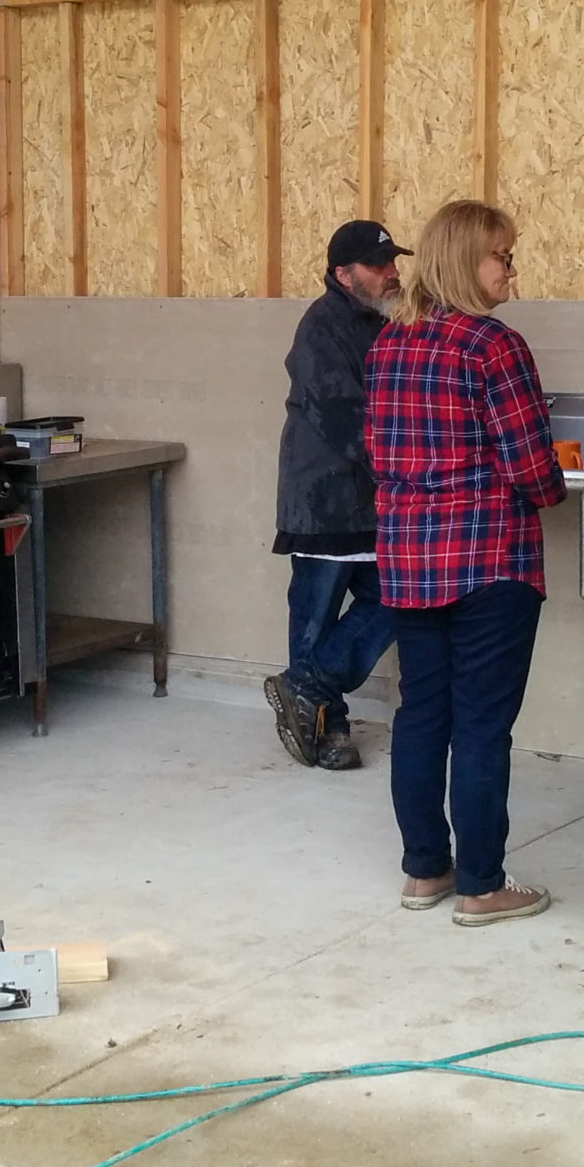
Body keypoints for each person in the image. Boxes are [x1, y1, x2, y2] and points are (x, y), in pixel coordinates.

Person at [364, 199, 569, 924]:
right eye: (502, 255)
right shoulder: (493, 346)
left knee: (422, 716)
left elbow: (380, 456)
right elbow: (531, 471)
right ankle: (482, 885)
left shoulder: (389, 344)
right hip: (489, 562)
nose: (512, 267)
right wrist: (554, 480)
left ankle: (426, 871)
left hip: (411, 562)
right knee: (482, 727)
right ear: (465, 261)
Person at [264, 219, 407, 772]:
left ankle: (307, 687)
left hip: (370, 500)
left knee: (394, 599)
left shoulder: (383, 322)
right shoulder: (321, 330)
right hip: (325, 503)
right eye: (379, 265)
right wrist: (404, 472)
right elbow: (345, 420)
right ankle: (329, 726)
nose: (392, 272)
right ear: (343, 274)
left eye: (393, 261)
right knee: (314, 621)